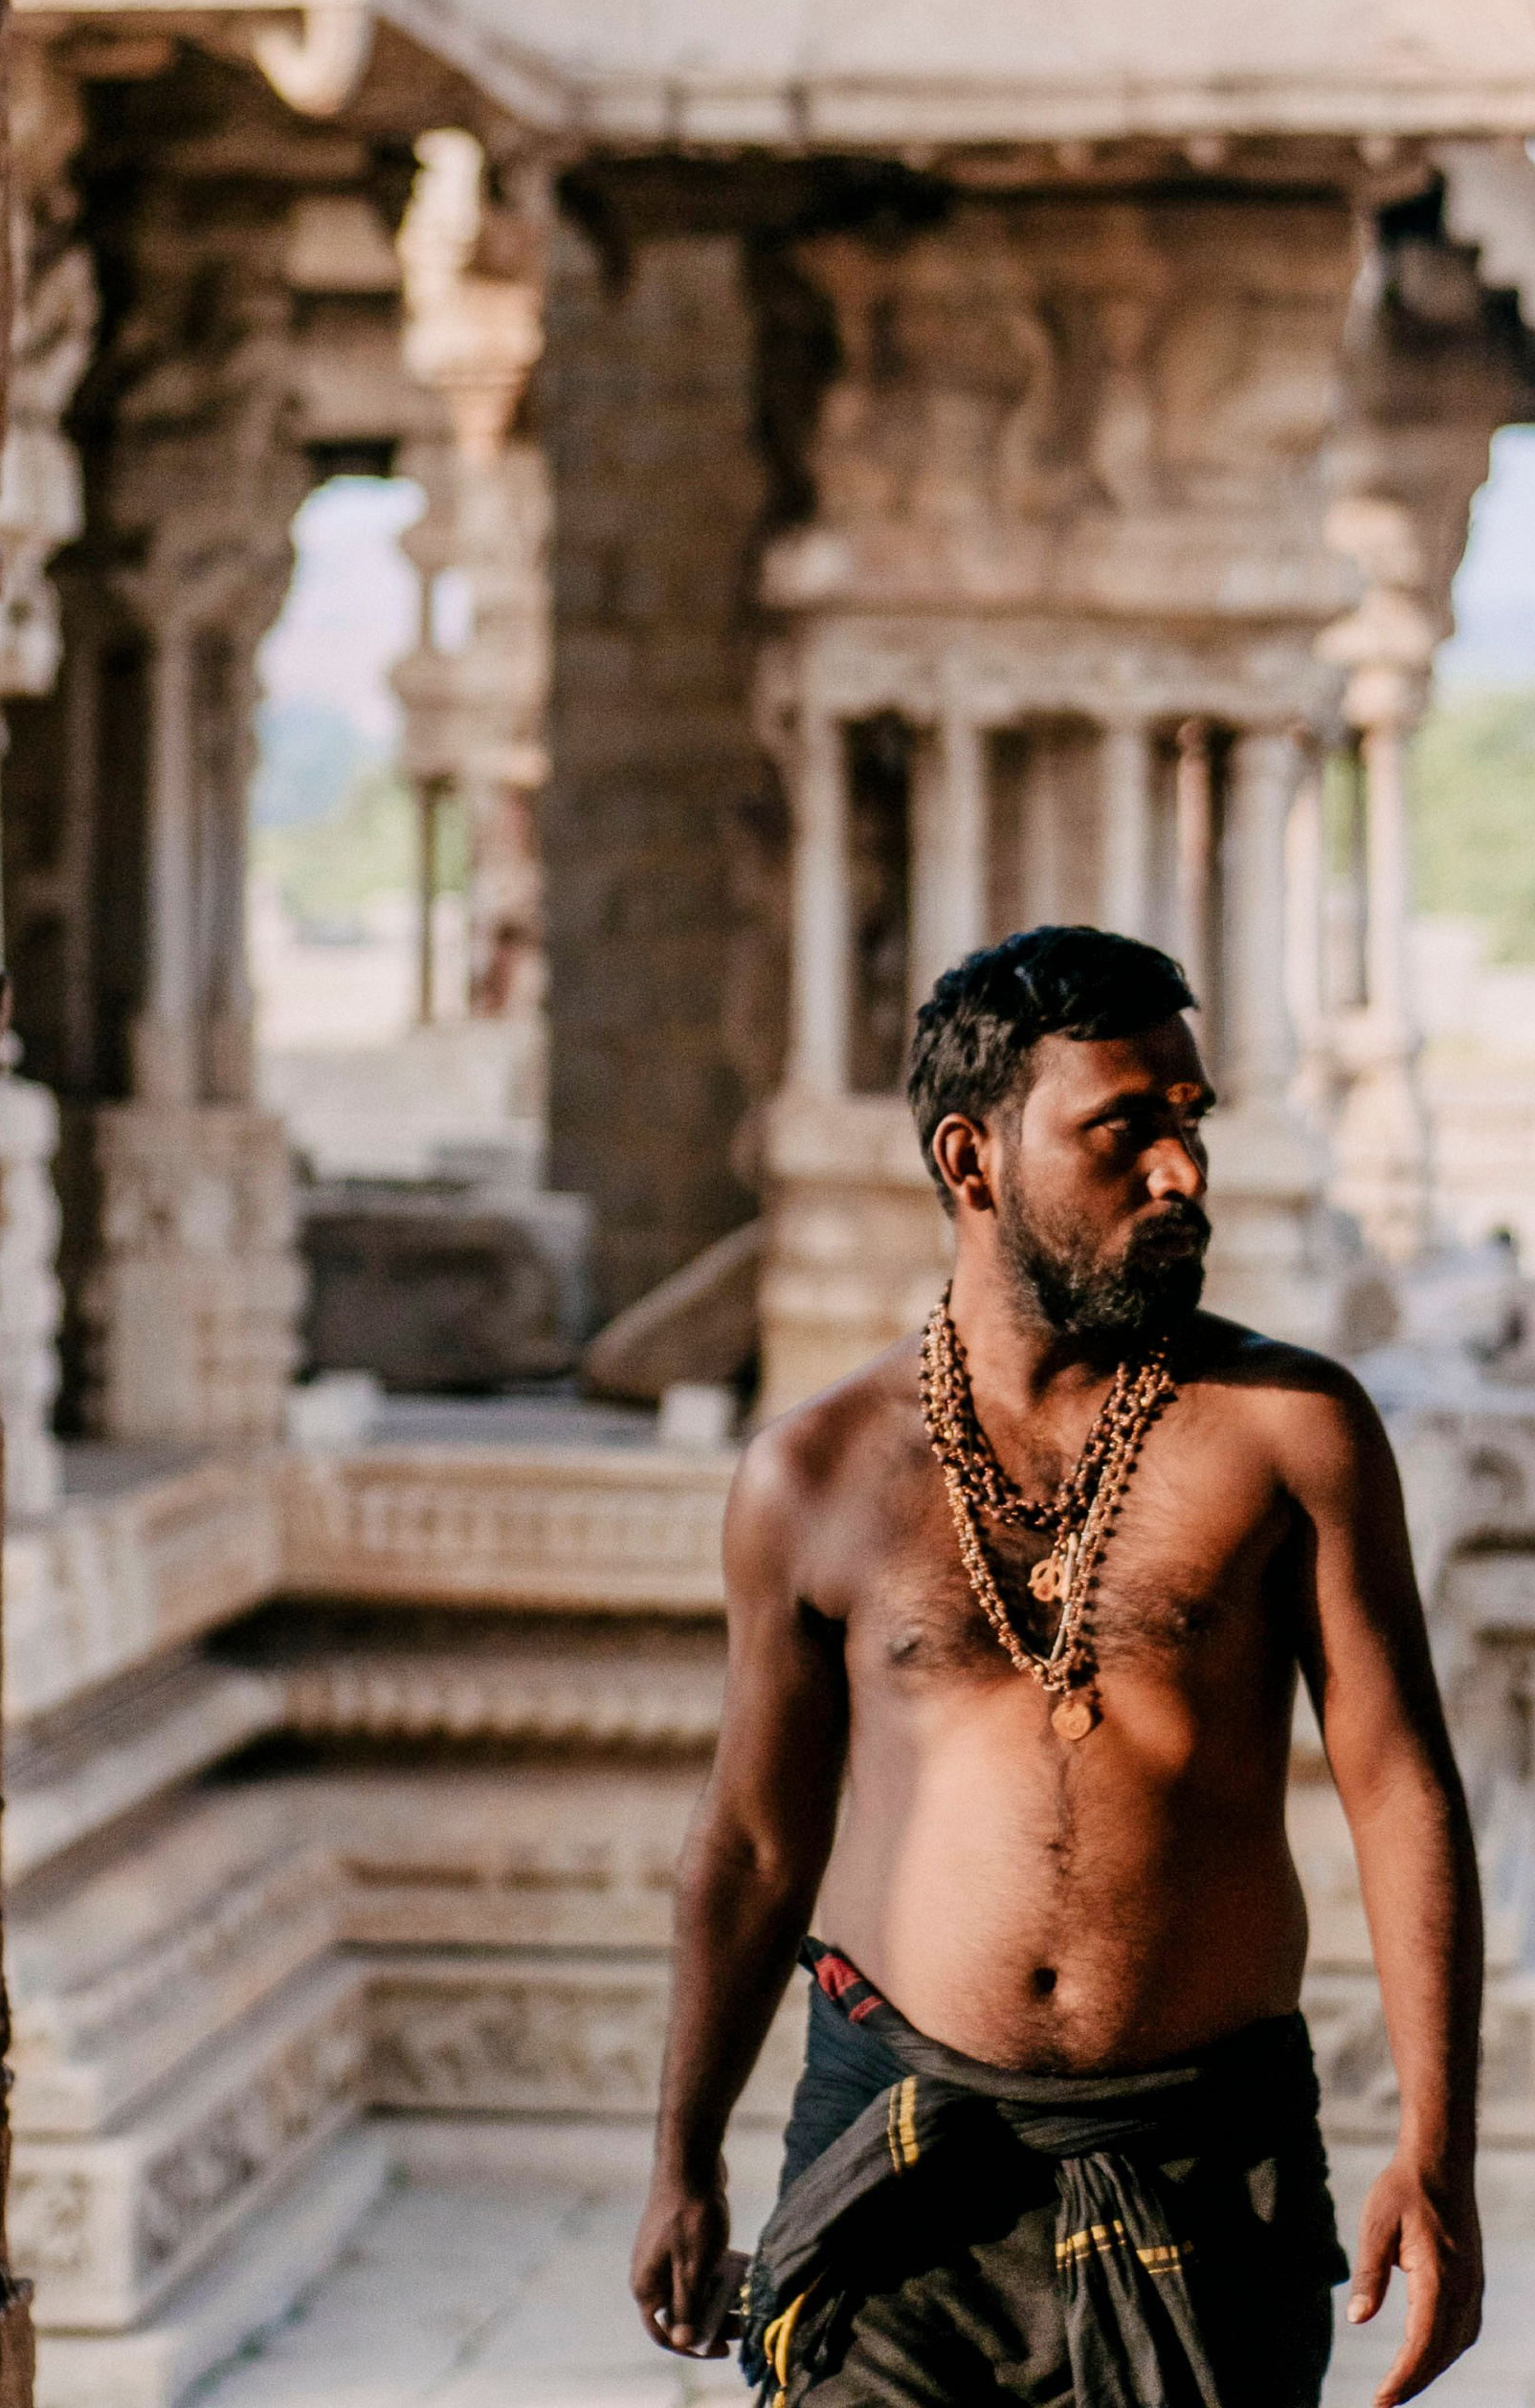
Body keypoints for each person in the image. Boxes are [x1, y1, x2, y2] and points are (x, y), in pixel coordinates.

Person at [630, 923, 1484, 2408]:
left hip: (1206, 2159)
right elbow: (757, 1843)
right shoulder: (815, 1477)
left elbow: (1401, 1784)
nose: (1183, 1174)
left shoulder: (1292, 1431)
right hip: (901, 2153)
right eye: (1125, 1132)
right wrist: (682, 2158)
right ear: (973, 1161)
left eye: (1190, 1122)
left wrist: (1442, 2146)